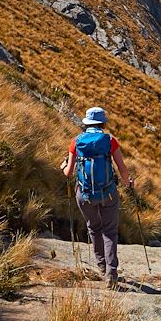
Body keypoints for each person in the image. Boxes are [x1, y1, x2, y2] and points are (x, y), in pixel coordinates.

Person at [60, 107, 134, 288]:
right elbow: (122, 169)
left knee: (94, 228)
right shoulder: (109, 141)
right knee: (110, 232)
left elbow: (69, 173)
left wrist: (62, 166)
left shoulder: (76, 142)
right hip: (108, 193)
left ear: (86, 123)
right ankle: (112, 273)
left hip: (84, 195)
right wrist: (129, 183)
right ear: (103, 123)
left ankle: (101, 266)